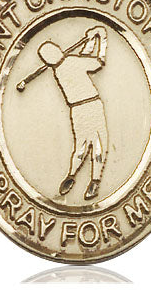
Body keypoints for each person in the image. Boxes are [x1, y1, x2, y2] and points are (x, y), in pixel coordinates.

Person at [37, 25, 107, 200]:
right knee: (98, 145)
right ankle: (95, 181)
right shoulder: (71, 62)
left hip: (76, 109)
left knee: (81, 146)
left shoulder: (59, 70)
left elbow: (84, 57)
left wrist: (91, 39)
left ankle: (71, 175)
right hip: (92, 105)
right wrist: (101, 37)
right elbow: (98, 62)